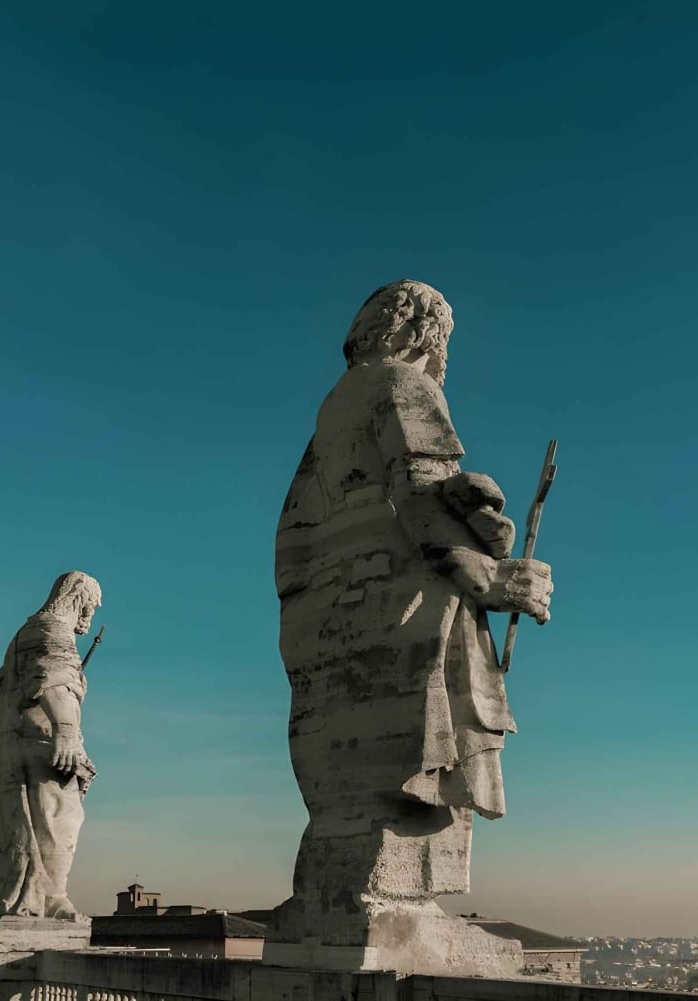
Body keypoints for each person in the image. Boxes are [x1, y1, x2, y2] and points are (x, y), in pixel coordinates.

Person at [267, 280, 554, 968]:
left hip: (331, 623)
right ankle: (396, 910)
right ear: (426, 333)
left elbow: (292, 546)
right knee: (413, 767)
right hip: (400, 616)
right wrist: (490, 578)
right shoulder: (403, 385)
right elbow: (421, 486)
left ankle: (332, 900)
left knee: (350, 791)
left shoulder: (330, 415)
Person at [0, 571, 100, 940]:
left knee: (18, 822)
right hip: (42, 738)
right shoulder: (52, 631)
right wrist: (67, 732)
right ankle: (50, 897)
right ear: (78, 598)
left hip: (12, 738)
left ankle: (24, 895)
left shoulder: (24, 633)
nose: (88, 618)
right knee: (60, 818)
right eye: (89, 606)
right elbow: (54, 678)